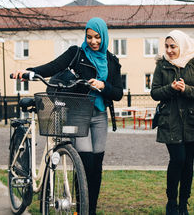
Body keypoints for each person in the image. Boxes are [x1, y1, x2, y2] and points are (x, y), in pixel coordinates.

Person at [13, 17, 123, 215]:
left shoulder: (112, 62)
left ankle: (90, 211)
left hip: (99, 116)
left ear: (104, 37)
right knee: (85, 162)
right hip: (78, 113)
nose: (93, 41)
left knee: (96, 166)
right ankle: (82, 209)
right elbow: (52, 67)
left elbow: (118, 93)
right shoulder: (76, 54)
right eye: (89, 37)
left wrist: (103, 86)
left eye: (97, 37)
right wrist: (29, 72)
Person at [150, 30, 194, 215]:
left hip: (192, 120)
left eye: (173, 46)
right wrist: (170, 88)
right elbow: (155, 93)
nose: (169, 50)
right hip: (170, 120)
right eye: (167, 46)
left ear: (181, 46)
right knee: (178, 159)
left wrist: (186, 89)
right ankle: (171, 202)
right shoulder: (161, 65)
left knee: (188, 162)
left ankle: (183, 203)